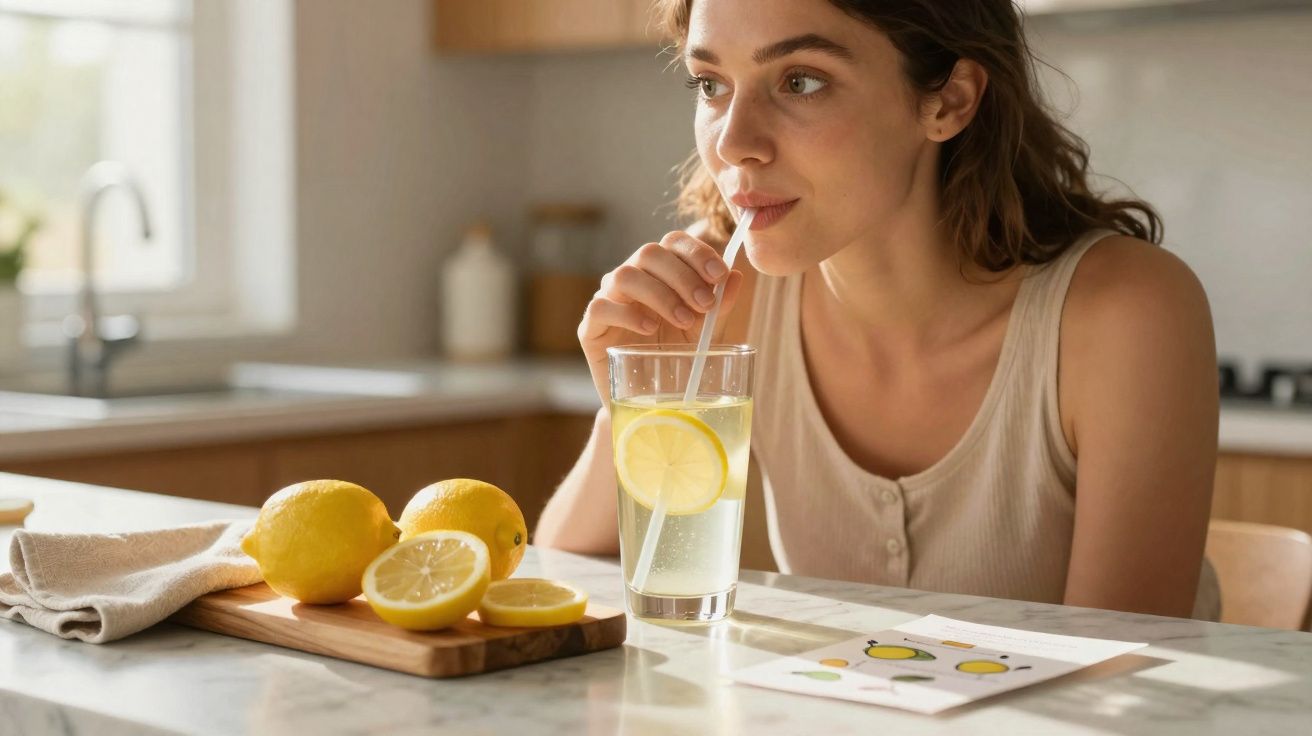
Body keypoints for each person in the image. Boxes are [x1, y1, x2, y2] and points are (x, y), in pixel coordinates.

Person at [534, 0, 1220, 620]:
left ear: (949, 100)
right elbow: (566, 581)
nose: (734, 141)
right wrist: (637, 407)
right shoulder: (726, 305)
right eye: (710, 84)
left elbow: (1124, 680)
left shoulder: (1124, 316)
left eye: (800, 80)